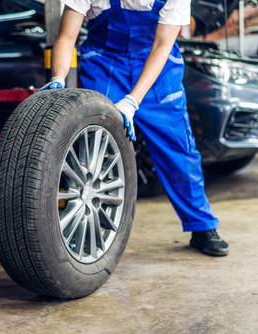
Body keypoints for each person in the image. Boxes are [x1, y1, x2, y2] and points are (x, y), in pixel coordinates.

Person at [41, 0, 230, 256]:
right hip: (104, 67)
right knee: (91, 154)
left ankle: (202, 226)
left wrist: (132, 100)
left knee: (179, 152)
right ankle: (84, 227)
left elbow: (163, 45)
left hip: (158, 72)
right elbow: (66, 38)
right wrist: (58, 79)